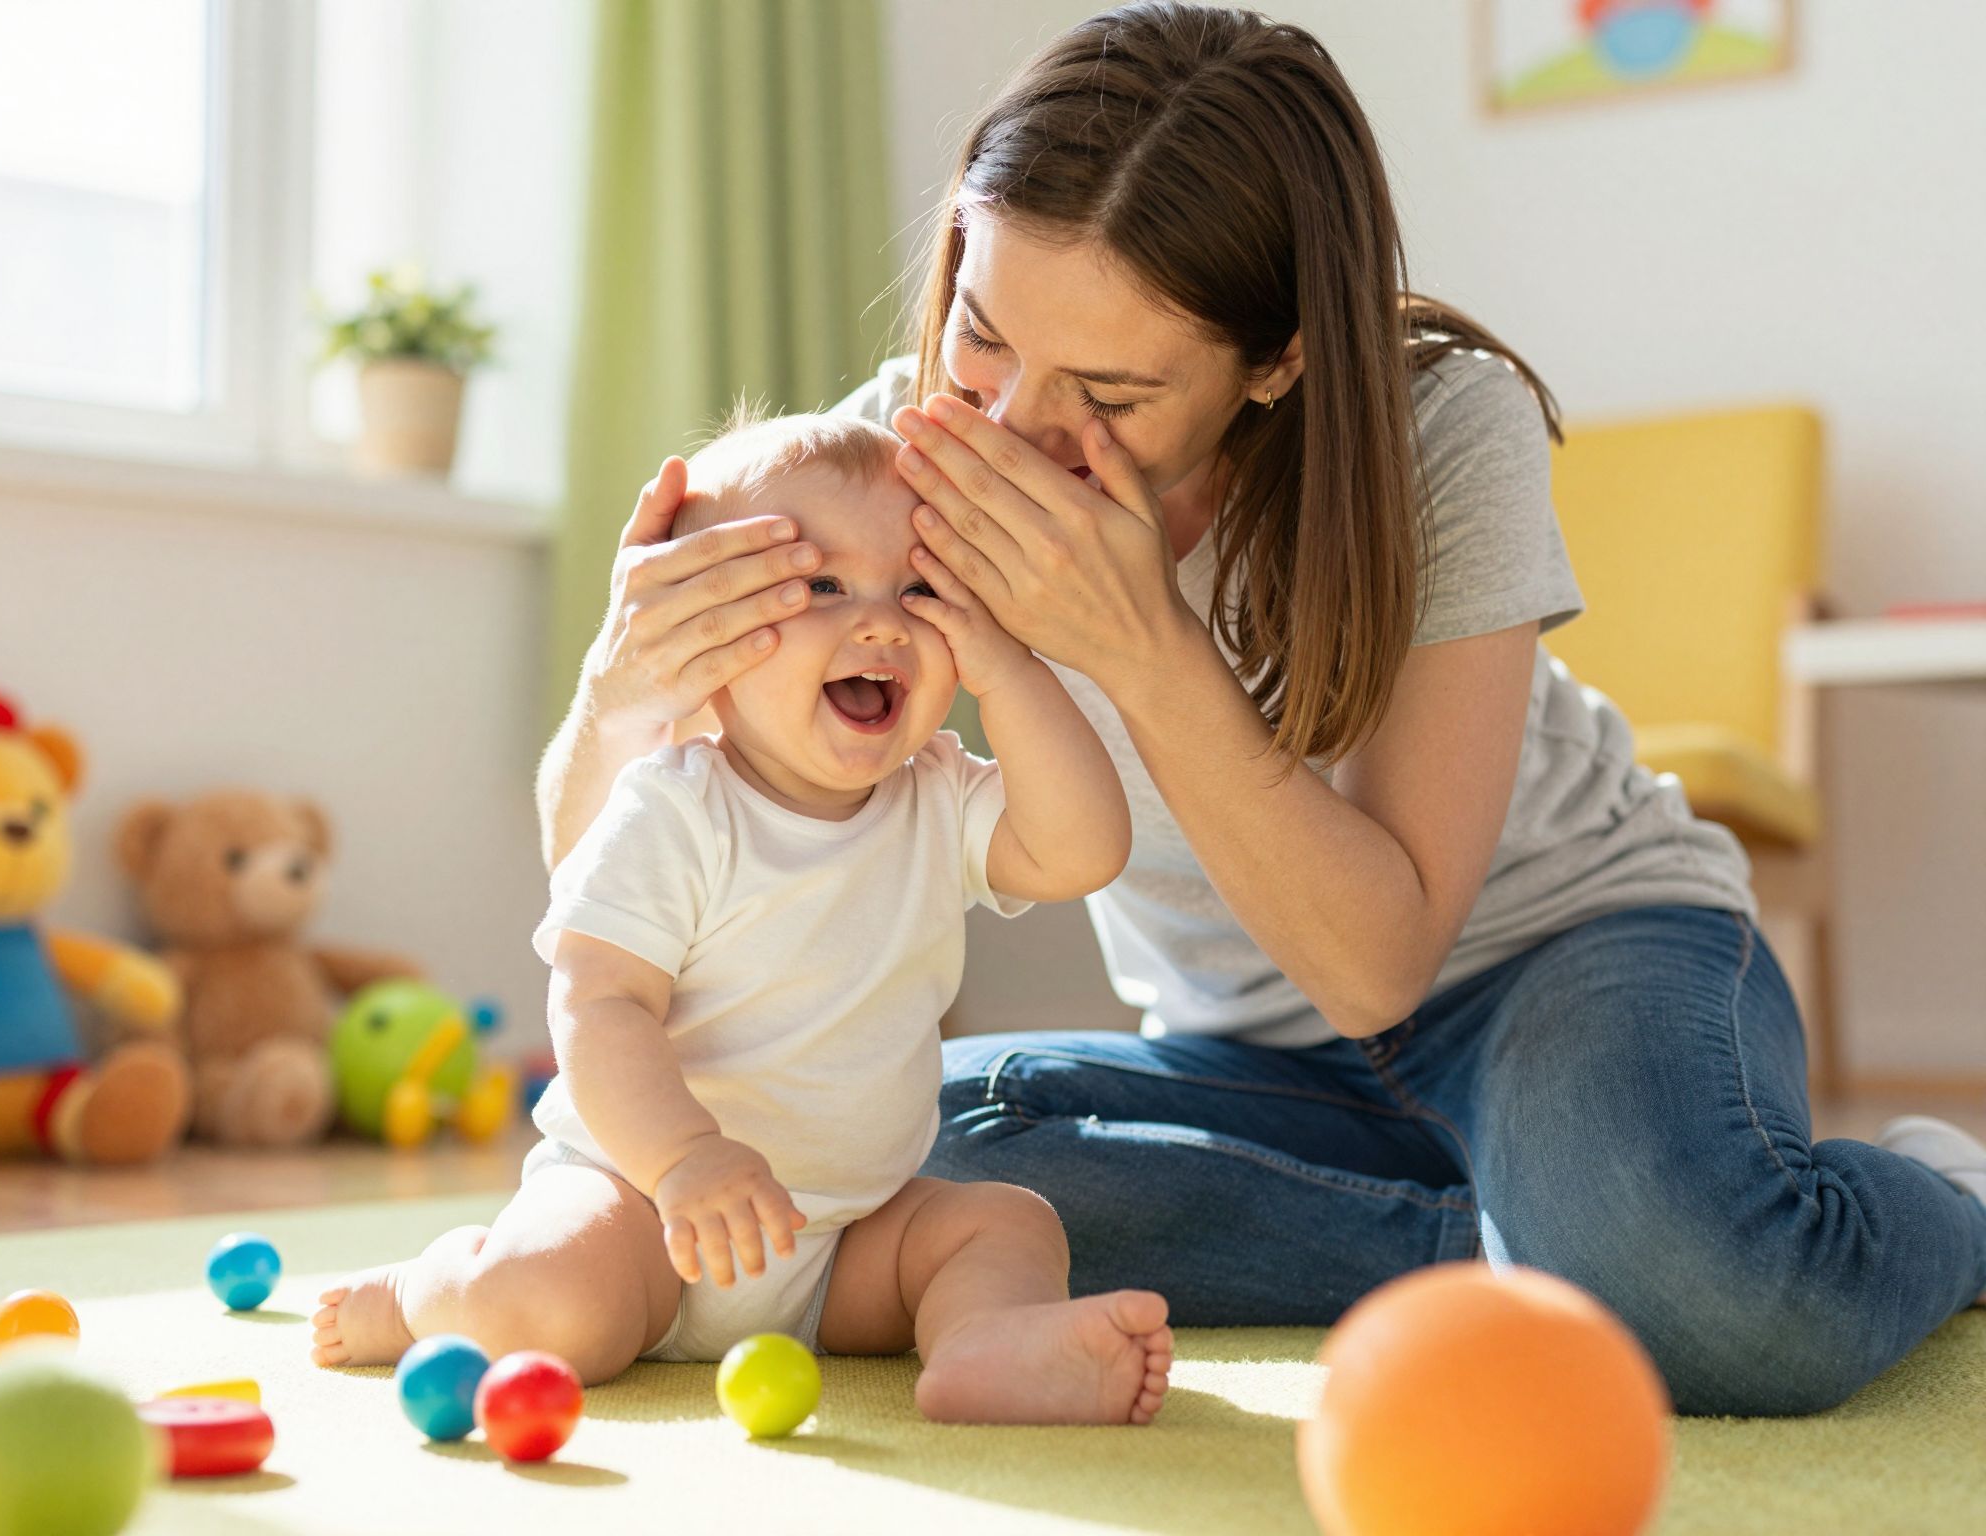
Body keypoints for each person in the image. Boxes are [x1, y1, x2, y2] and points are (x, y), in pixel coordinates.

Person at [537, 3, 1986, 1416]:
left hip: (1568, 961)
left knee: (1734, 1311)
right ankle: (1561, 1240)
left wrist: (1147, 646)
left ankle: (1869, 1204)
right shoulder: (888, 463)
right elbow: (606, 866)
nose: (1011, 427)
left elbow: (1378, 967)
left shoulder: (1441, 429)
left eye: (1108, 389)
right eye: (982, 336)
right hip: (1246, 1063)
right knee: (877, 1173)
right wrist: (619, 692)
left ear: (1279, 359)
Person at [314, 411, 1172, 1426]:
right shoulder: (672, 806)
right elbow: (600, 1002)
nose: (880, 623)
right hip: (640, 1211)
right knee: (544, 1309)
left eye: (919, 589)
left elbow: (1083, 849)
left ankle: (983, 1346)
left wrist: (1008, 672)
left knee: (1005, 1223)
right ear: (706, 636)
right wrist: (683, 1161)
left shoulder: (938, 797)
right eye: (818, 587)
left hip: (842, 1236)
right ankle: (427, 1289)